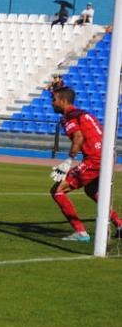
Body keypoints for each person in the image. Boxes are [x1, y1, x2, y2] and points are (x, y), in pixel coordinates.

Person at [49, 86, 122, 242]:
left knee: (57, 190)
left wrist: (68, 160)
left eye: (54, 100)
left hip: (94, 159)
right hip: (106, 156)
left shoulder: (69, 116)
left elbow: (79, 137)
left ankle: (81, 232)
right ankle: (119, 224)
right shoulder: (82, 113)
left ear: (63, 101)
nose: (52, 103)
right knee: (91, 190)